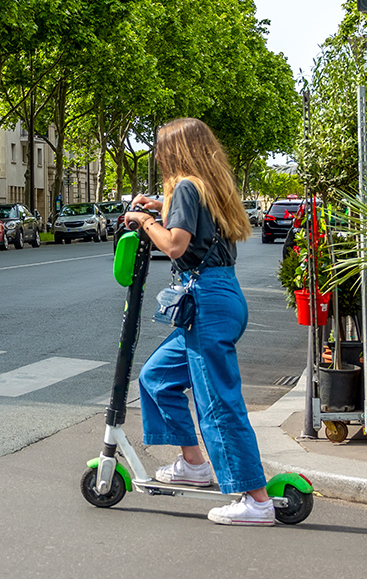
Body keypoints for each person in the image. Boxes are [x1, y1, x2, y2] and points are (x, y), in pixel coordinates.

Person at [123, 118, 272, 526]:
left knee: (218, 403)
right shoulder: (208, 187)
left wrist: (145, 221)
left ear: (178, 150)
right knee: (156, 377)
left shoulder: (187, 186)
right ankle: (193, 463)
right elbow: (195, 226)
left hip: (206, 300)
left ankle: (255, 500)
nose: (157, 154)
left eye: (161, 147)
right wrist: (159, 207)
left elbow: (175, 245)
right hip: (220, 296)